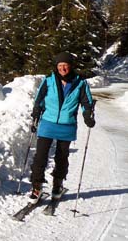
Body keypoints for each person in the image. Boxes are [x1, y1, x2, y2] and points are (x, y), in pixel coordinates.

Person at [29, 52, 95, 200]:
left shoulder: (80, 83)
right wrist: (35, 114)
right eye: (60, 65)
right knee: (40, 156)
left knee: (61, 157)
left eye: (65, 65)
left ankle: (57, 185)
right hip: (47, 123)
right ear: (56, 67)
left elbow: (86, 103)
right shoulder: (48, 81)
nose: (63, 68)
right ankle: (36, 186)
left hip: (67, 125)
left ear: (70, 66)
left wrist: (87, 116)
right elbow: (39, 100)